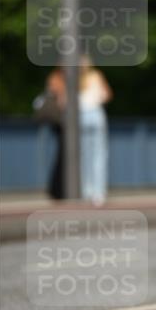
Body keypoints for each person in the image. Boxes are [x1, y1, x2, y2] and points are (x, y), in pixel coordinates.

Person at [45, 56, 112, 204]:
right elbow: (106, 95)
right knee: (98, 156)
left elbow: (63, 101)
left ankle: (86, 191)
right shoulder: (96, 76)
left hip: (79, 117)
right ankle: (98, 193)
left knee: (82, 157)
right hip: (96, 114)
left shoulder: (72, 79)